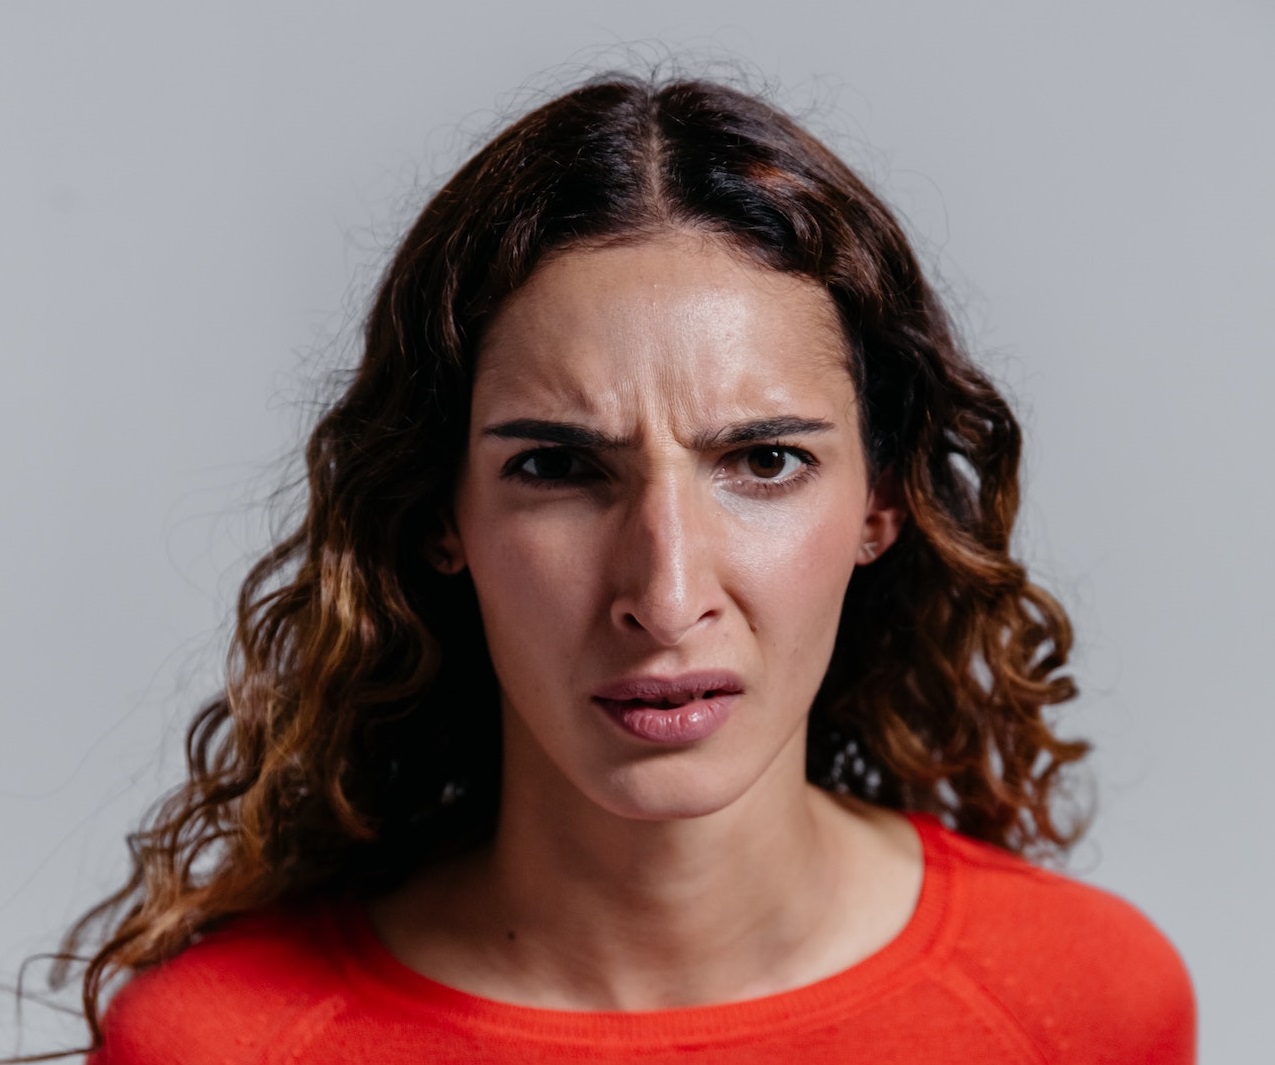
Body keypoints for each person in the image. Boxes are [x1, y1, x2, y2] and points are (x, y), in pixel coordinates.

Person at [40, 75, 1193, 1063]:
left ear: (882, 502)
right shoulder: (220, 1044)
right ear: (444, 513)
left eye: (766, 459)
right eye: (557, 468)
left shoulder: (1082, 1003)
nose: (666, 591)